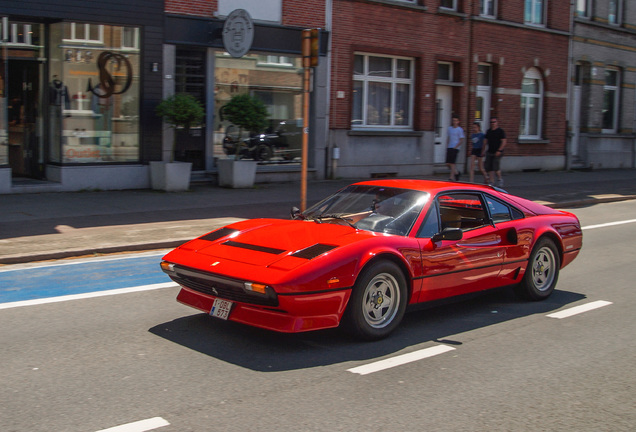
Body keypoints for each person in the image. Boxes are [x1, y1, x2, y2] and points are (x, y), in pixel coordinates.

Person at [484, 116, 507, 187]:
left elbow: (504, 142)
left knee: (496, 167)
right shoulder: (489, 131)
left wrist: (499, 150)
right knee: (490, 167)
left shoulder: (500, 131)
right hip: (490, 151)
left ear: (497, 122)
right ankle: (492, 181)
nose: (493, 123)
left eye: (494, 122)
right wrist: (483, 150)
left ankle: (500, 179)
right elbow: (485, 141)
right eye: (491, 122)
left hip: (497, 151)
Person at [446, 115, 465, 181]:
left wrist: (456, 146)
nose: (454, 122)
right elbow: (448, 137)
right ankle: (456, 173)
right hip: (449, 146)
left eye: (456, 121)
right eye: (453, 120)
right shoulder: (450, 129)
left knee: (452, 163)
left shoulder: (460, 130)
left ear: (458, 122)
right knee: (448, 163)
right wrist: (447, 145)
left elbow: (461, 139)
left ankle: (451, 177)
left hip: (455, 148)